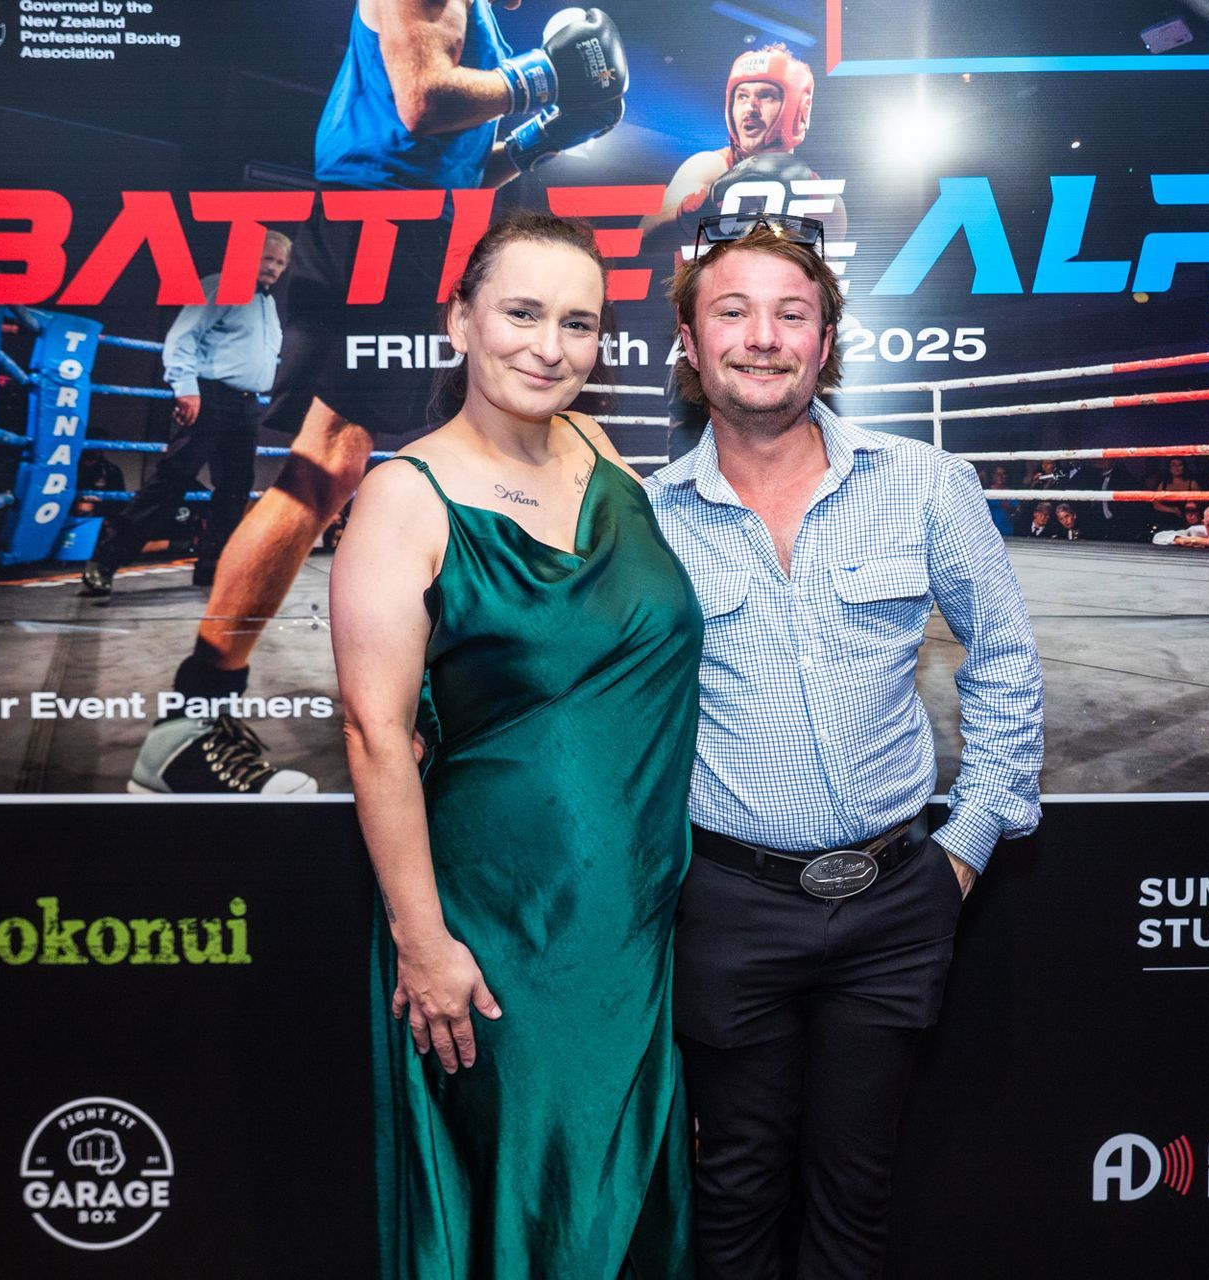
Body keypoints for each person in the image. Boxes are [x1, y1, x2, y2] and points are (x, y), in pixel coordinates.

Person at [646, 215, 1044, 1278]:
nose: (762, 337)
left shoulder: (924, 482)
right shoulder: (648, 517)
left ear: (825, 342)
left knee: (856, 1194)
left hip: (895, 904)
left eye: (792, 314)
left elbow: (1005, 656)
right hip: (725, 906)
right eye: (732, 311)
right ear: (689, 340)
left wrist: (963, 850)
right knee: (734, 1190)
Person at [127, 0, 631, 793]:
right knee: (326, 465)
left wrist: (544, 133)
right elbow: (423, 100)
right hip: (378, 225)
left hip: (417, 227)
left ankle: (476, 693)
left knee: (388, 459)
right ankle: (188, 723)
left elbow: (457, 158)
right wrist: (543, 79)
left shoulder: (476, 16)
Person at [332, 215, 695, 1278]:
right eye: (522, 313)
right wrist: (423, 944)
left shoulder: (600, 453)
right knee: (540, 1214)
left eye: (577, 322)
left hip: (646, 924)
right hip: (503, 938)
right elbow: (374, 734)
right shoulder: (404, 496)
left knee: (637, 1219)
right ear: (460, 322)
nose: (550, 346)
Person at [642, 43, 844, 462]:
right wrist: (698, 206)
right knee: (691, 479)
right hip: (709, 360)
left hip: (786, 357)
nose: (749, 109)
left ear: (797, 107)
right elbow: (647, 238)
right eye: (741, 96)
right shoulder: (708, 168)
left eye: (766, 95)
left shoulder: (817, 192)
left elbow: (826, 290)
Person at [81, 231, 290, 596]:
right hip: (209, 396)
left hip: (245, 405)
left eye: (279, 262)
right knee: (173, 479)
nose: (273, 267)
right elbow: (182, 337)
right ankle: (105, 560)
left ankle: (213, 567)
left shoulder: (267, 304)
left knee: (236, 486)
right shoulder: (220, 285)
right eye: (267, 258)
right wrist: (186, 389)